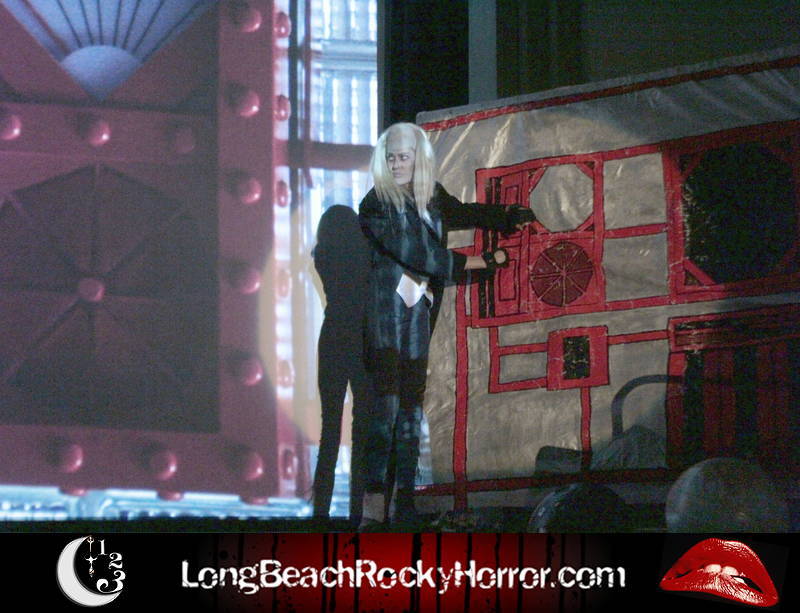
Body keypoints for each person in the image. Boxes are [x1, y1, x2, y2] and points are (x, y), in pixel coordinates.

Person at [358, 122, 535, 528]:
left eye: (404, 157)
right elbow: (420, 254)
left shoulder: (431, 194)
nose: (396, 164)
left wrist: (505, 216)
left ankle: (403, 505)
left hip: (419, 311)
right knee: (387, 411)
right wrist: (481, 262)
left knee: (410, 411)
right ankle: (372, 512)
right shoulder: (375, 204)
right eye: (390, 158)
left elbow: (462, 213)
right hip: (386, 317)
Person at [311, 205, 374, 527]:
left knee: (330, 430)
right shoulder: (365, 255)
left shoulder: (322, 256)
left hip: (333, 335)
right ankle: (357, 512)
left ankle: (320, 512)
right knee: (362, 430)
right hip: (361, 337)